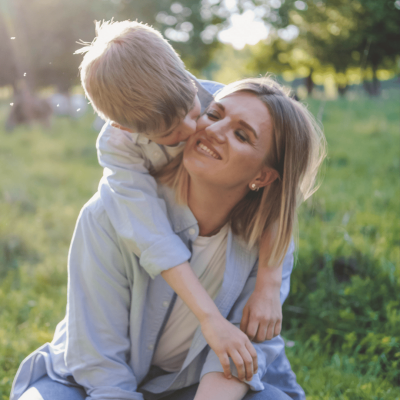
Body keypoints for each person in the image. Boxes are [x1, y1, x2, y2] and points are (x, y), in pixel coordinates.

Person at [11, 77, 326, 400]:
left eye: (241, 135)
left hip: (186, 388)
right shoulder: (112, 212)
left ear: (262, 176)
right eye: (214, 115)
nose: (213, 131)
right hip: (83, 382)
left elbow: (237, 360)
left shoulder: (268, 248)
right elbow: (99, 362)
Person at [75, 19, 286, 377]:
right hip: (164, 263)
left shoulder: (221, 101)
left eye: (194, 112)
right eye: (172, 133)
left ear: (188, 77)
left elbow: (280, 188)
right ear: (126, 128)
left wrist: (269, 281)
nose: (194, 130)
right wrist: (209, 318)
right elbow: (151, 235)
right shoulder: (118, 148)